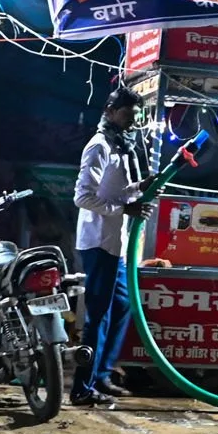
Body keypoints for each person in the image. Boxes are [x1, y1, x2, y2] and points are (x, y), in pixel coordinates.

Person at [71, 84, 150, 407]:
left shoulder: (122, 146)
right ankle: (82, 387)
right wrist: (124, 209)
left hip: (115, 244)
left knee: (122, 307)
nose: (132, 120)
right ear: (110, 112)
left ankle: (101, 375)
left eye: (136, 114)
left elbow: (115, 190)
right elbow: (83, 197)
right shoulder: (99, 146)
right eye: (127, 113)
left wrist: (138, 188)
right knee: (98, 316)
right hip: (98, 242)